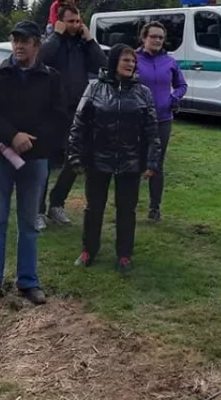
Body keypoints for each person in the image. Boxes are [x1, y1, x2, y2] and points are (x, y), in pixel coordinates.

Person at [0, 20, 66, 306]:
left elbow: (59, 116)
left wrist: (31, 141)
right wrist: (12, 136)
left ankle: (28, 282)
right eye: (15, 40)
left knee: (29, 222)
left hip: (35, 158)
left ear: (37, 44)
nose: (18, 46)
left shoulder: (51, 78)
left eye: (25, 41)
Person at [68, 44, 160, 272]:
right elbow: (79, 124)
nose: (130, 64)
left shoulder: (143, 92)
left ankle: (124, 255)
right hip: (98, 158)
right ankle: (88, 250)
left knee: (127, 210)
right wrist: (75, 155)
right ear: (114, 62)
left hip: (130, 160)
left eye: (133, 61)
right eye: (126, 60)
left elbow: (151, 130)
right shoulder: (94, 88)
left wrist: (152, 161)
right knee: (94, 207)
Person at [37, 4, 107, 229]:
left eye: (78, 21)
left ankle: (57, 203)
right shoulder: (51, 41)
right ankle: (37, 210)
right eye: (71, 21)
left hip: (77, 110)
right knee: (45, 161)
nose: (75, 25)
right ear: (60, 22)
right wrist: (57, 36)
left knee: (74, 159)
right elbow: (42, 58)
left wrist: (90, 40)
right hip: (52, 110)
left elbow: (102, 65)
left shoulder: (82, 45)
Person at [135, 21, 187, 222]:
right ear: (144, 38)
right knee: (136, 161)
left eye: (160, 37)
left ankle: (154, 208)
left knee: (157, 163)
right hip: (138, 119)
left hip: (163, 119)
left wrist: (174, 98)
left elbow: (181, 85)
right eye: (153, 36)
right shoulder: (134, 58)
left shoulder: (170, 62)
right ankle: (129, 204)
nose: (157, 40)